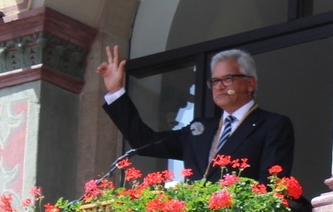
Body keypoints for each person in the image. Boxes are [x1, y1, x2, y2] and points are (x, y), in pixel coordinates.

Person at [96, 46, 295, 184]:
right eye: (215, 81)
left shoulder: (272, 125)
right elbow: (144, 142)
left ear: (250, 84)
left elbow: (271, 185)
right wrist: (116, 93)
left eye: (227, 79)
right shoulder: (200, 129)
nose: (219, 86)